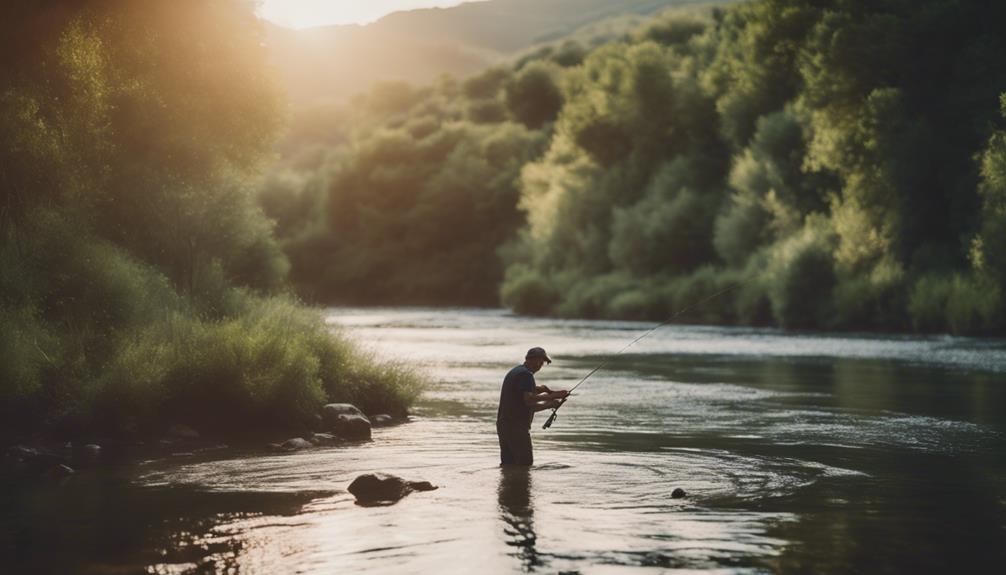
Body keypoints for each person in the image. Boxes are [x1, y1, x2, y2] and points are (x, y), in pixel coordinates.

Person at [496, 347, 569, 466]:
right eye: (537, 361)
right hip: (516, 428)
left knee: (508, 465)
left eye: (542, 363)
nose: (539, 365)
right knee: (525, 464)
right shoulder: (526, 375)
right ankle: (519, 485)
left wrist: (549, 402)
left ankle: (507, 484)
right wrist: (552, 396)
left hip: (504, 426)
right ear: (528, 359)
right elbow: (529, 399)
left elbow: (526, 404)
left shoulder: (517, 371)